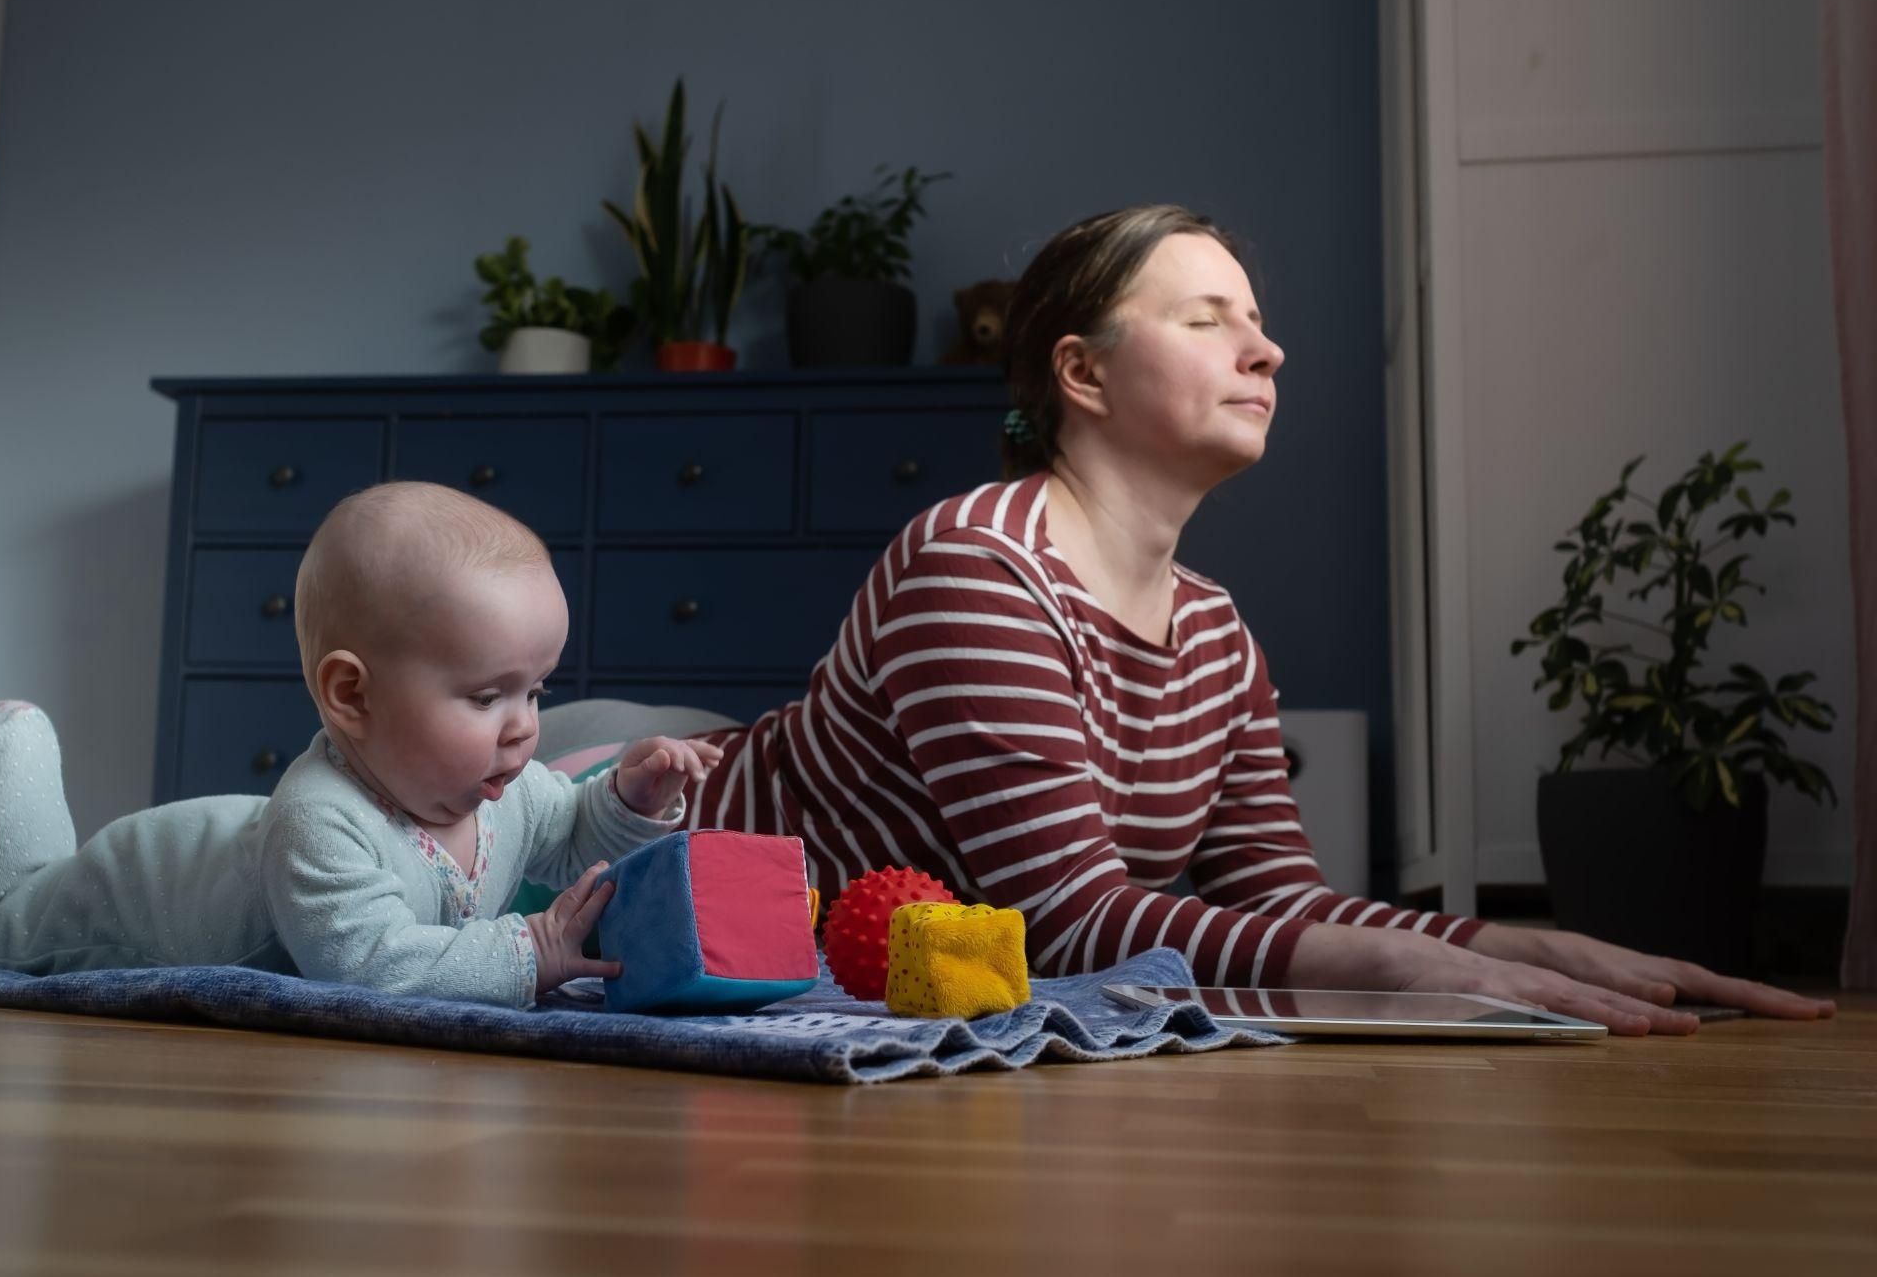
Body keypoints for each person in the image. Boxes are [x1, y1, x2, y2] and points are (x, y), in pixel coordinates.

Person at [679, 204, 1834, 1034]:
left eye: (1258, 321)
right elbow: (1064, 922)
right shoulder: (976, 565)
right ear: (1080, 374)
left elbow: (1277, 898)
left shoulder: (1216, 631)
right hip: (652, 834)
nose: (1266, 347)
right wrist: (1397, 970)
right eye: (1205, 319)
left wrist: (1512, 945)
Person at [0, 482, 721, 1008]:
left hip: (236, 843)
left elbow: (572, 832)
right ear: (353, 694)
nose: (523, 725)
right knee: (11, 927)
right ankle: (2, 743)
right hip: (135, 892)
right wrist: (532, 949)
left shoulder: (507, 786)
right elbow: (369, 963)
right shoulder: (318, 820)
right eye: (486, 696)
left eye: (535, 690)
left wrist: (629, 798)